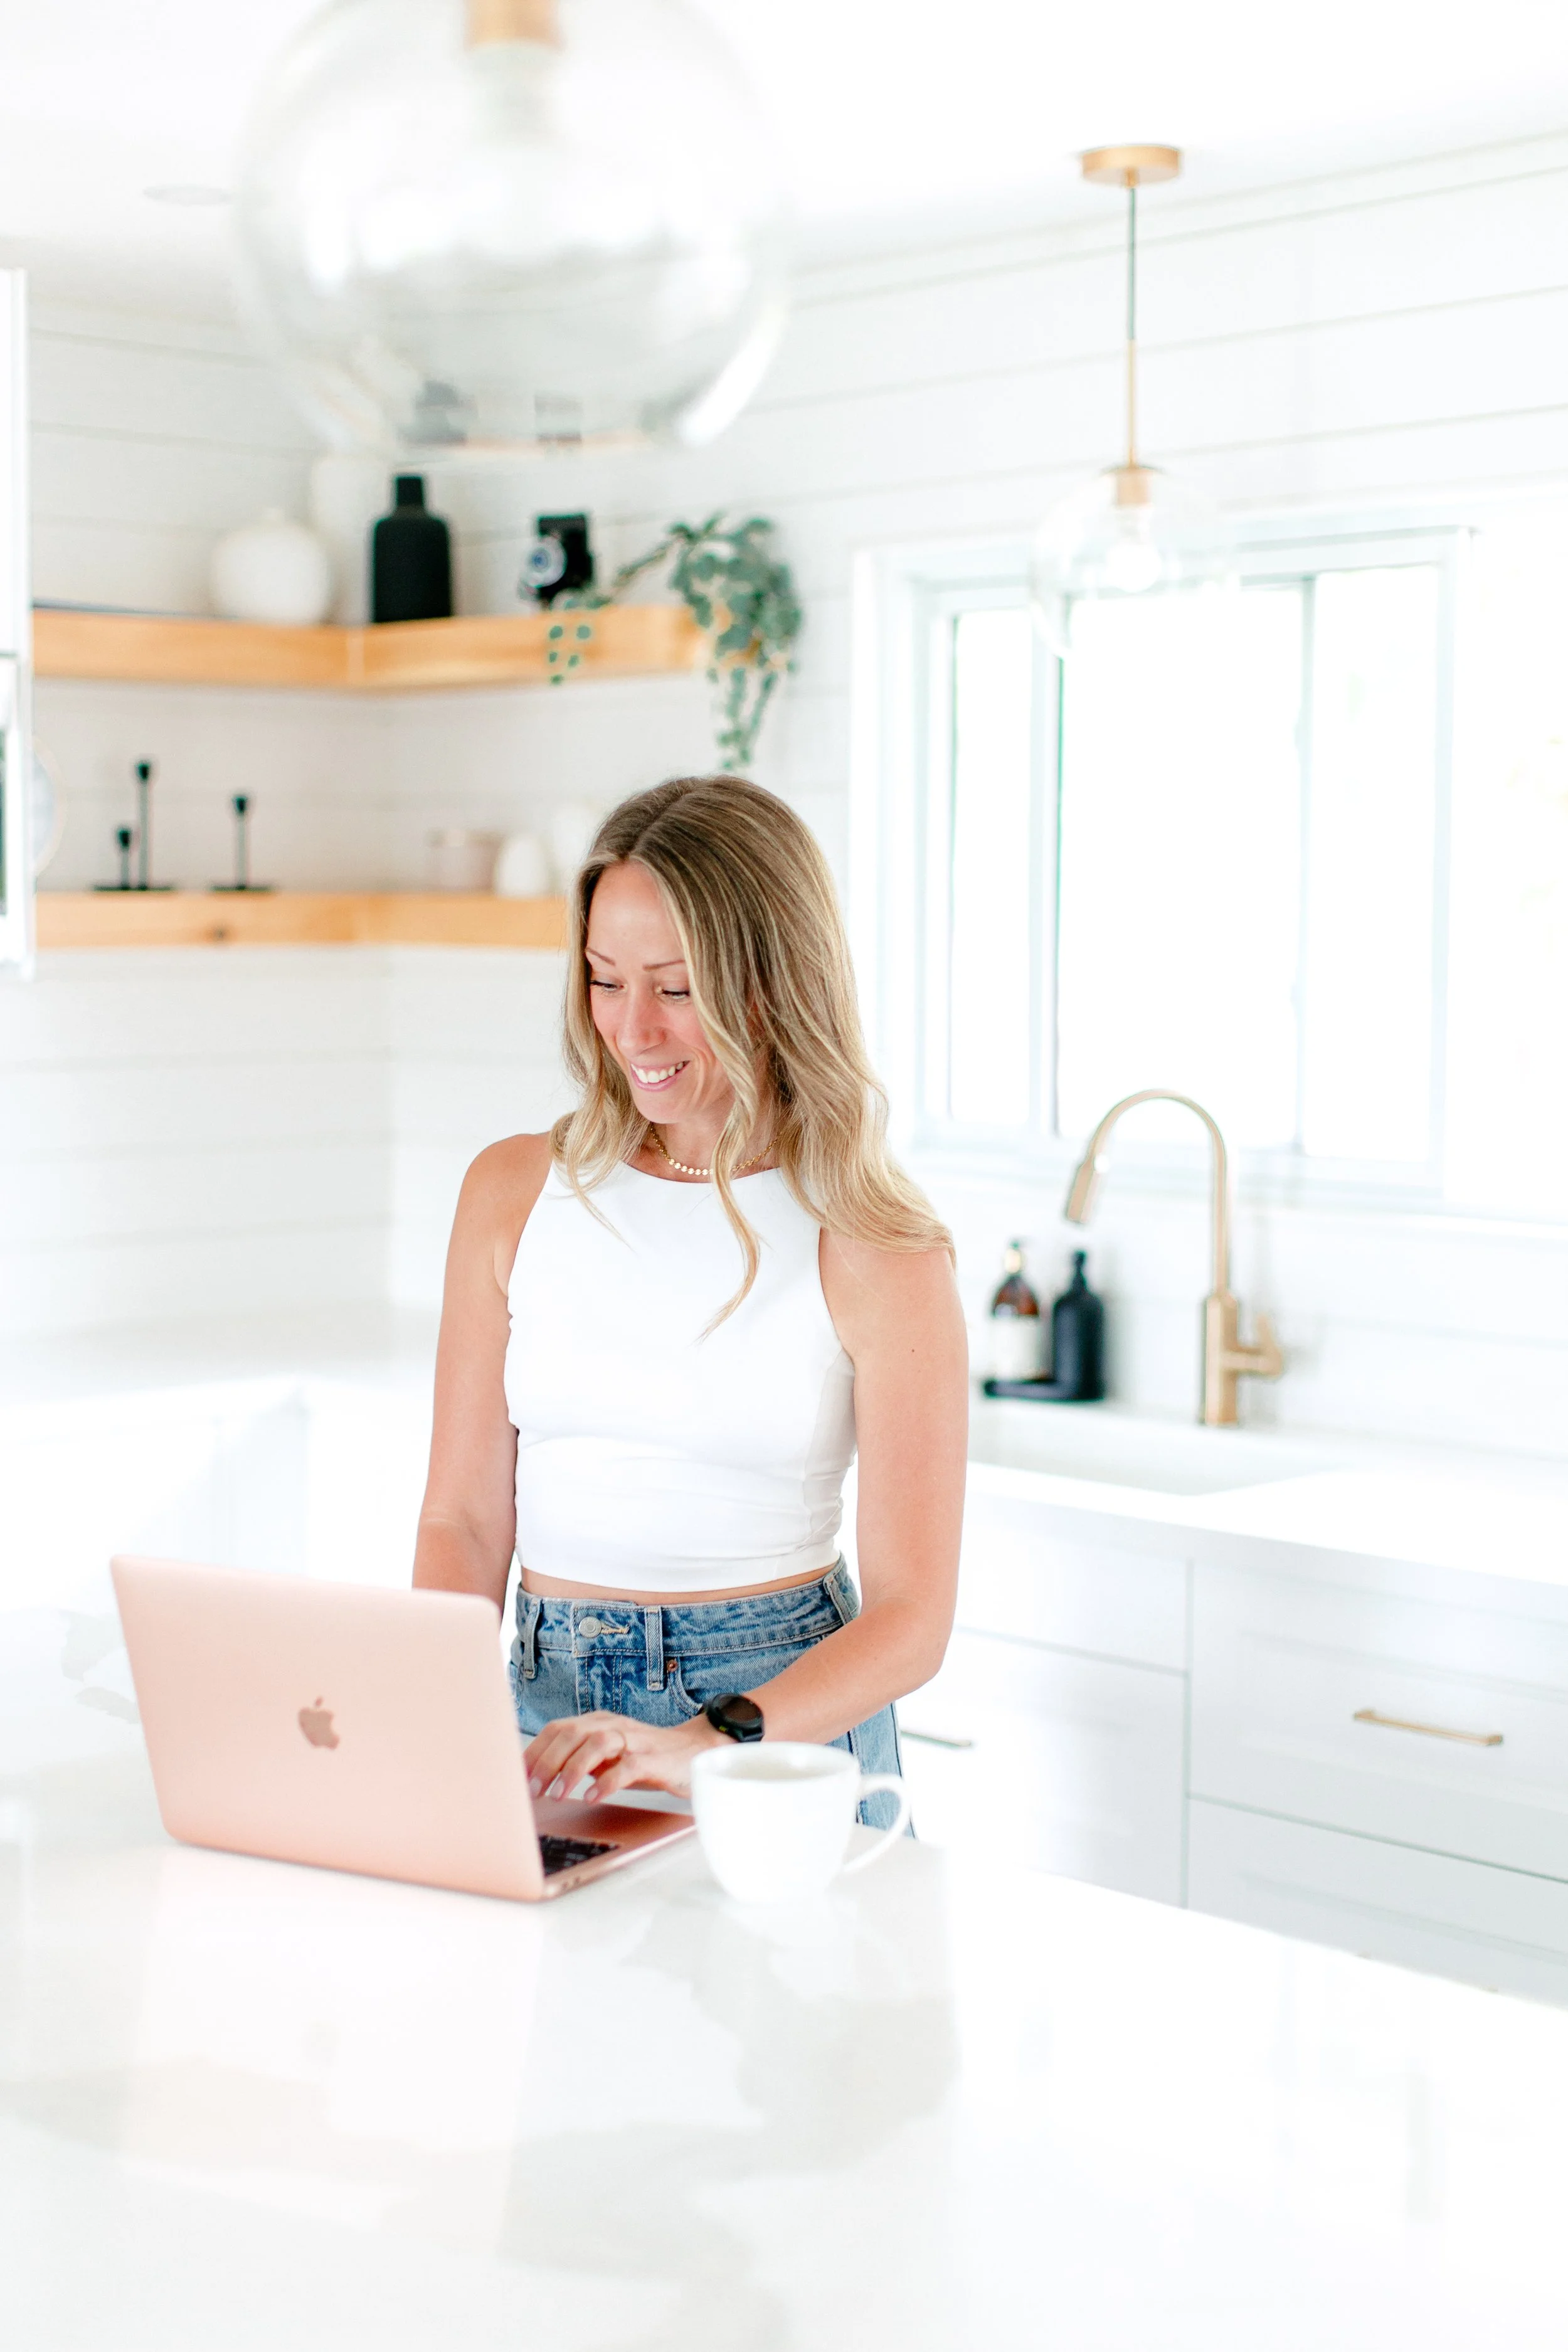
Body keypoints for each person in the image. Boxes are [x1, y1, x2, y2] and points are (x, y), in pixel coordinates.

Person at [413, 773, 967, 1827]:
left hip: (773, 1726)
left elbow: (912, 1618)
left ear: (773, 982)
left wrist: (698, 1743)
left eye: (676, 988)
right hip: (550, 1712)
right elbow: (464, 1518)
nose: (634, 1031)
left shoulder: (872, 1241)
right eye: (605, 980)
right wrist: (437, 1707)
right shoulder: (513, 1192)